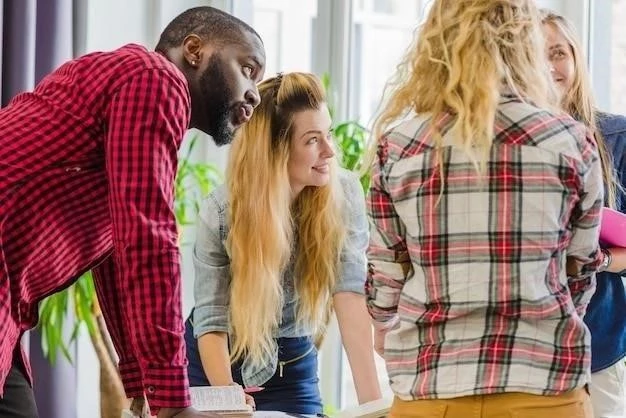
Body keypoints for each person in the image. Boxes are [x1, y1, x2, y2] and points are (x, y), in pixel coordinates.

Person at [0, 6, 265, 418]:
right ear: (194, 49)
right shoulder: (155, 78)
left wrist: (144, 384)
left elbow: (118, 257)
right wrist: (174, 403)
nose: (255, 93)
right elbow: (148, 240)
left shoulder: (136, 94)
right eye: (248, 68)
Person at [365, 1, 604, 417]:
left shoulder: (399, 147)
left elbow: (386, 278)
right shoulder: (571, 141)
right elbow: (580, 271)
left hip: (432, 388)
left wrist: (385, 324)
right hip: (543, 388)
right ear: (523, 45)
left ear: (436, 44)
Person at [184, 72, 382, 414]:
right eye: (312, 140)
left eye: (328, 133)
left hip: (292, 366)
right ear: (275, 150)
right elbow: (211, 318)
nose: (330, 151)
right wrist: (228, 399)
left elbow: (349, 295)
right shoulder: (221, 213)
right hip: (215, 362)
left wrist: (373, 406)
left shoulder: (344, 195)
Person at [542, 10, 626, 418]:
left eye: (558, 52)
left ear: (576, 58)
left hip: (600, 348)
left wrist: (601, 260)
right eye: (534, 54)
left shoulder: (616, 137)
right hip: (528, 355)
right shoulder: (503, 148)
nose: (549, 66)